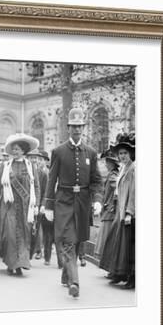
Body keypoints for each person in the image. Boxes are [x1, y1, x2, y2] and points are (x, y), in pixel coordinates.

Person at [44, 107, 103, 298]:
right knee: (68, 241)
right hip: (64, 202)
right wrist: (48, 205)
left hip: (83, 203)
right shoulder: (59, 151)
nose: (77, 130)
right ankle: (74, 282)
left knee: (77, 242)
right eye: (73, 127)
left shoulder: (91, 153)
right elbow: (52, 180)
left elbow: (96, 180)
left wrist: (97, 200)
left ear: (83, 128)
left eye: (80, 127)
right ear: (68, 128)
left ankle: (65, 275)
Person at [0, 134, 40, 276]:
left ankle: (21, 263)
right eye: (13, 149)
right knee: (10, 234)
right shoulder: (5, 167)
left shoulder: (31, 167)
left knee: (24, 234)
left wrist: (36, 205)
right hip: (9, 206)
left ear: (23, 151)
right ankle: (11, 263)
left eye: (17, 149)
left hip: (25, 207)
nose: (15, 151)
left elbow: (36, 186)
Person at [101, 133, 136, 289]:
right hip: (120, 211)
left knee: (130, 248)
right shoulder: (124, 169)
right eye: (120, 153)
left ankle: (132, 278)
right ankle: (119, 273)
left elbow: (134, 192)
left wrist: (129, 212)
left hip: (129, 213)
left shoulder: (133, 169)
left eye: (125, 153)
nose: (122, 156)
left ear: (131, 154)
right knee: (119, 243)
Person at [96, 148, 121, 274]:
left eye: (107, 161)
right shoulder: (114, 174)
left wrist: (111, 204)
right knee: (108, 240)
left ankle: (111, 268)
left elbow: (116, 189)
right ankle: (110, 268)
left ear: (112, 163)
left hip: (110, 211)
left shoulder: (113, 176)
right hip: (109, 210)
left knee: (108, 240)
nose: (105, 164)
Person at [26, 149, 47, 261]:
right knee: (27, 229)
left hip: (36, 205)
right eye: (31, 157)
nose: (34, 160)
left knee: (36, 229)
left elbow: (45, 192)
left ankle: (38, 250)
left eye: (36, 158)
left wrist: (42, 205)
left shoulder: (42, 174)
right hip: (26, 205)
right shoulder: (25, 170)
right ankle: (27, 252)